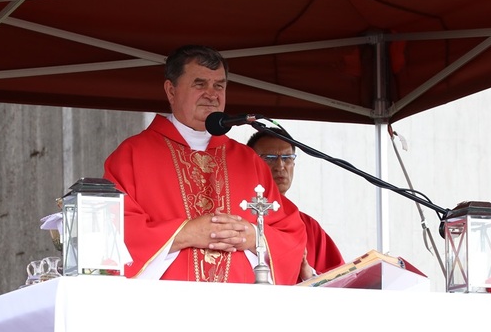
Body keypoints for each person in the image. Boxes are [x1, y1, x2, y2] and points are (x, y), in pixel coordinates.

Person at [103, 45, 306, 284]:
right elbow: (112, 231)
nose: (211, 94)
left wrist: (254, 237)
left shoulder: (247, 161)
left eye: (219, 86)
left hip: (242, 306)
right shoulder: (132, 155)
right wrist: (184, 233)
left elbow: (290, 232)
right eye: (200, 84)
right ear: (171, 91)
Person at [247, 125, 345, 281]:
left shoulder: (309, 227)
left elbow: (340, 282)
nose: (280, 166)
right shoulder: (239, 217)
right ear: (251, 164)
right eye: (269, 158)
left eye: (287, 158)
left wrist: (309, 274)